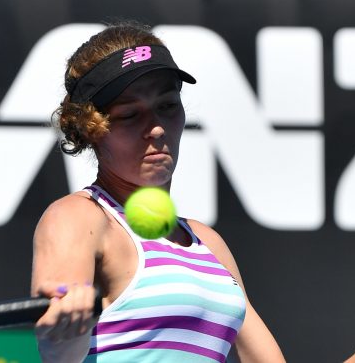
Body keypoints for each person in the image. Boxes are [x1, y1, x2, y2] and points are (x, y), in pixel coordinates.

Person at [31, 21, 285, 362]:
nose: (155, 128)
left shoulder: (209, 243)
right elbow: (59, 355)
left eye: (167, 106)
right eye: (129, 115)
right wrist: (62, 333)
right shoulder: (77, 217)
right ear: (92, 129)